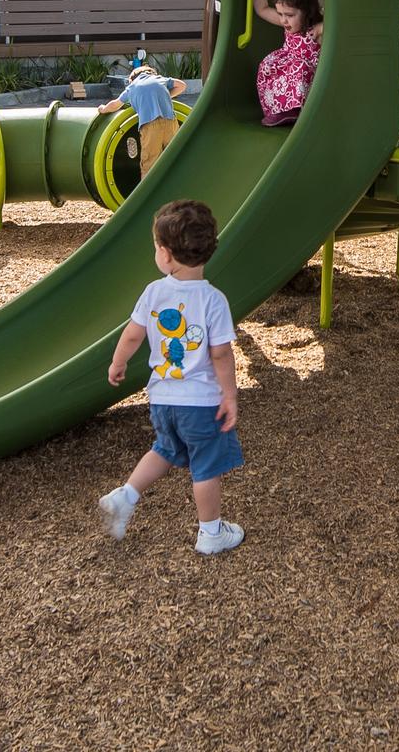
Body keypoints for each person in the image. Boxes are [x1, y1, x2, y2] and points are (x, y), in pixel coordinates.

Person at [98, 200, 245, 555]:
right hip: (200, 403)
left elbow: (133, 334)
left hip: (162, 397)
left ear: (165, 255)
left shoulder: (154, 293)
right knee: (206, 465)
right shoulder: (214, 300)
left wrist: (118, 363)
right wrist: (230, 395)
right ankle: (210, 533)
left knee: (164, 449)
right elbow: (220, 353)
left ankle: (126, 496)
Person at [252, 0, 323, 125]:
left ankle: (295, 109)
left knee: (299, 67)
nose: (283, 20)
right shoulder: (287, 22)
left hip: (309, 77)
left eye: (289, 15)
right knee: (267, 65)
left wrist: (321, 27)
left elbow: (341, 24)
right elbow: (262, 9)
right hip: (287, 68)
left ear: (307, 11)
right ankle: (278, 111)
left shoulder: (315, 31)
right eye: (280, 14)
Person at [98, 63, 188, 172]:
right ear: (151, 73)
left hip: (150, 126)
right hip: (171, 122)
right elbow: (182, 85)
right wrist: (166, 96)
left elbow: (115, 104)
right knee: (174, 159)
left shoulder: (132, 87)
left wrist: (103, 109)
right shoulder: (159, 79)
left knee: (150, 163)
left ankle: (149, 188)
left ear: (132, 79)